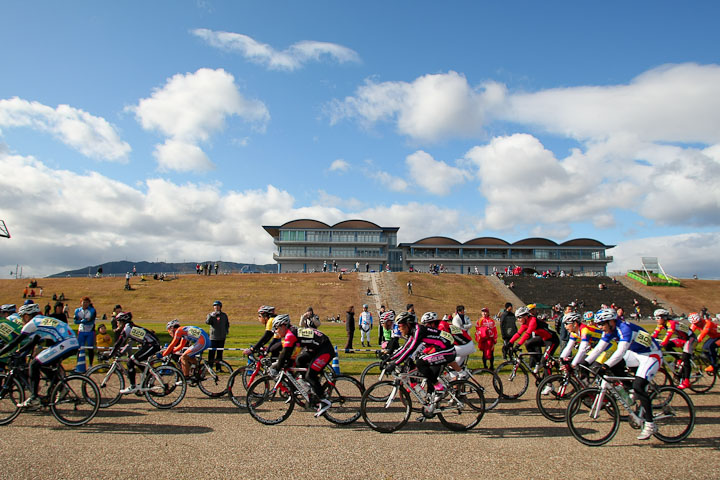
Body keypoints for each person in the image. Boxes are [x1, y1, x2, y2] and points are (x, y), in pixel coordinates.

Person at [583, 308, 662, 440]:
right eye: (598, 324)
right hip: (637, 354)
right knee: (616, 366)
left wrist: (605, 366)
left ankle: (650, 424)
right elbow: (599, 348)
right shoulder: (610, 329)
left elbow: (620, 352)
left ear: (611, 321)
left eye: (602, 324)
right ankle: (629, 388)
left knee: (639, 386)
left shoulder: (624, 328)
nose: (600, 327)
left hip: (651, 355)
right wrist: (585, 363)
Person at [0, 303, 79, 407]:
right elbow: (34, 341)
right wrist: (19, 352)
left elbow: (14, 342)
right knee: (43, 364)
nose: (22, 320)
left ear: (27, 316)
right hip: (71, 342)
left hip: (65, 343)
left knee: (34, 364)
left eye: (22, 317)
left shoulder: (31, 323)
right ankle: (58, 388)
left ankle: (34, 397)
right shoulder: (41, 320)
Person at [270, 314, 334, 417]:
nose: (276, 331)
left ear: (283, 325)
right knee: (300, 360)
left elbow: (285, 353)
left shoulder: (290, 334)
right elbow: (289, 353)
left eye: (276, 328)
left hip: (324, 349)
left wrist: (277, 368)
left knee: (310, 375)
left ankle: (323, 400)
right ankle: (309, 388)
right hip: (315, 348)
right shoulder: (291, 331)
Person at [384, 311, 455, 398]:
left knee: (420, 363)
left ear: (408, 325)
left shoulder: (418, 330)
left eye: (400, 326)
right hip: (440, 350)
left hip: (447, 350)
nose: (398, 329)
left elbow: (410, 349)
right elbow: (404, 348)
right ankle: (433, 405)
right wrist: (388, 359)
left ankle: (440, 388)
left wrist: (395, 363)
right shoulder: (413, 331)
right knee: (428, 374)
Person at [111, 312, 161, 394]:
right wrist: (120, 352)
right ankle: (149, 378)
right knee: (136, 361)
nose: (117, 323)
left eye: (118, 321)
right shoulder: (131, 327)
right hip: (150, 344)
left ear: (122, 321)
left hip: (152, 345)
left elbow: (118, 343)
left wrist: (110, 354)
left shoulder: (128, 328)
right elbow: (128, 344)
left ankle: (133, 386)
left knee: (131, 361)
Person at [651, 308, 696, 389]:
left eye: (658, 318)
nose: (656, 320)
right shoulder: (661, 324)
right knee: (667, 345)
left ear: (664, 317)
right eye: (655, 318)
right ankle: (678, 360)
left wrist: (662, 344)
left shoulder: (671, 323)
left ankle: (686, 381)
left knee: (685, 358)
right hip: (681, 338)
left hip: (690, 338)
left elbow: (668, 335)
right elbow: (654, 335)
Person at [508, 306, 558, 372]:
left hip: (552, 340)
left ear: (525, 316)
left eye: (519, 317)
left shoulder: (533, 321)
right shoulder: (525, 323)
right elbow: (518, 334)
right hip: (544, 338)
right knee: (528, 344)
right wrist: (509, 343)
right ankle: (537, 362)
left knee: (544, 361)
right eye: (517, 318)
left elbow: (527, 334)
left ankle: (548, 381)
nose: (518, 320)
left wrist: (518, 345)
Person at [73, 296, 97, 368]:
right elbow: (75, 321)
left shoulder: (92, 310)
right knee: (79, 348)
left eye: (87, 302)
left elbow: (90, 320)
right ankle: (78, 364)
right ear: (81, 303)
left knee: (90, 348)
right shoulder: (77, 310)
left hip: (90, 331)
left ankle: (90, 364)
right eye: (84, 302)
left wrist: (82, 320)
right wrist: (82, 321)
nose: (85, 304)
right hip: (81, 331)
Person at [205, 300, 230, 368]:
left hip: (222, 337)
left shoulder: (224, 315)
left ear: (220, 307)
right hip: (213, 337)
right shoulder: (210, 315)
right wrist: (211, 316)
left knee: (219, 353)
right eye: (215, 306)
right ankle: (210, 366)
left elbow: (227, 323)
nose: (216, 307)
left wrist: (226, 330)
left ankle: (218, 367)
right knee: (211, 353)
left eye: (218, 306)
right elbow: (207, 322)